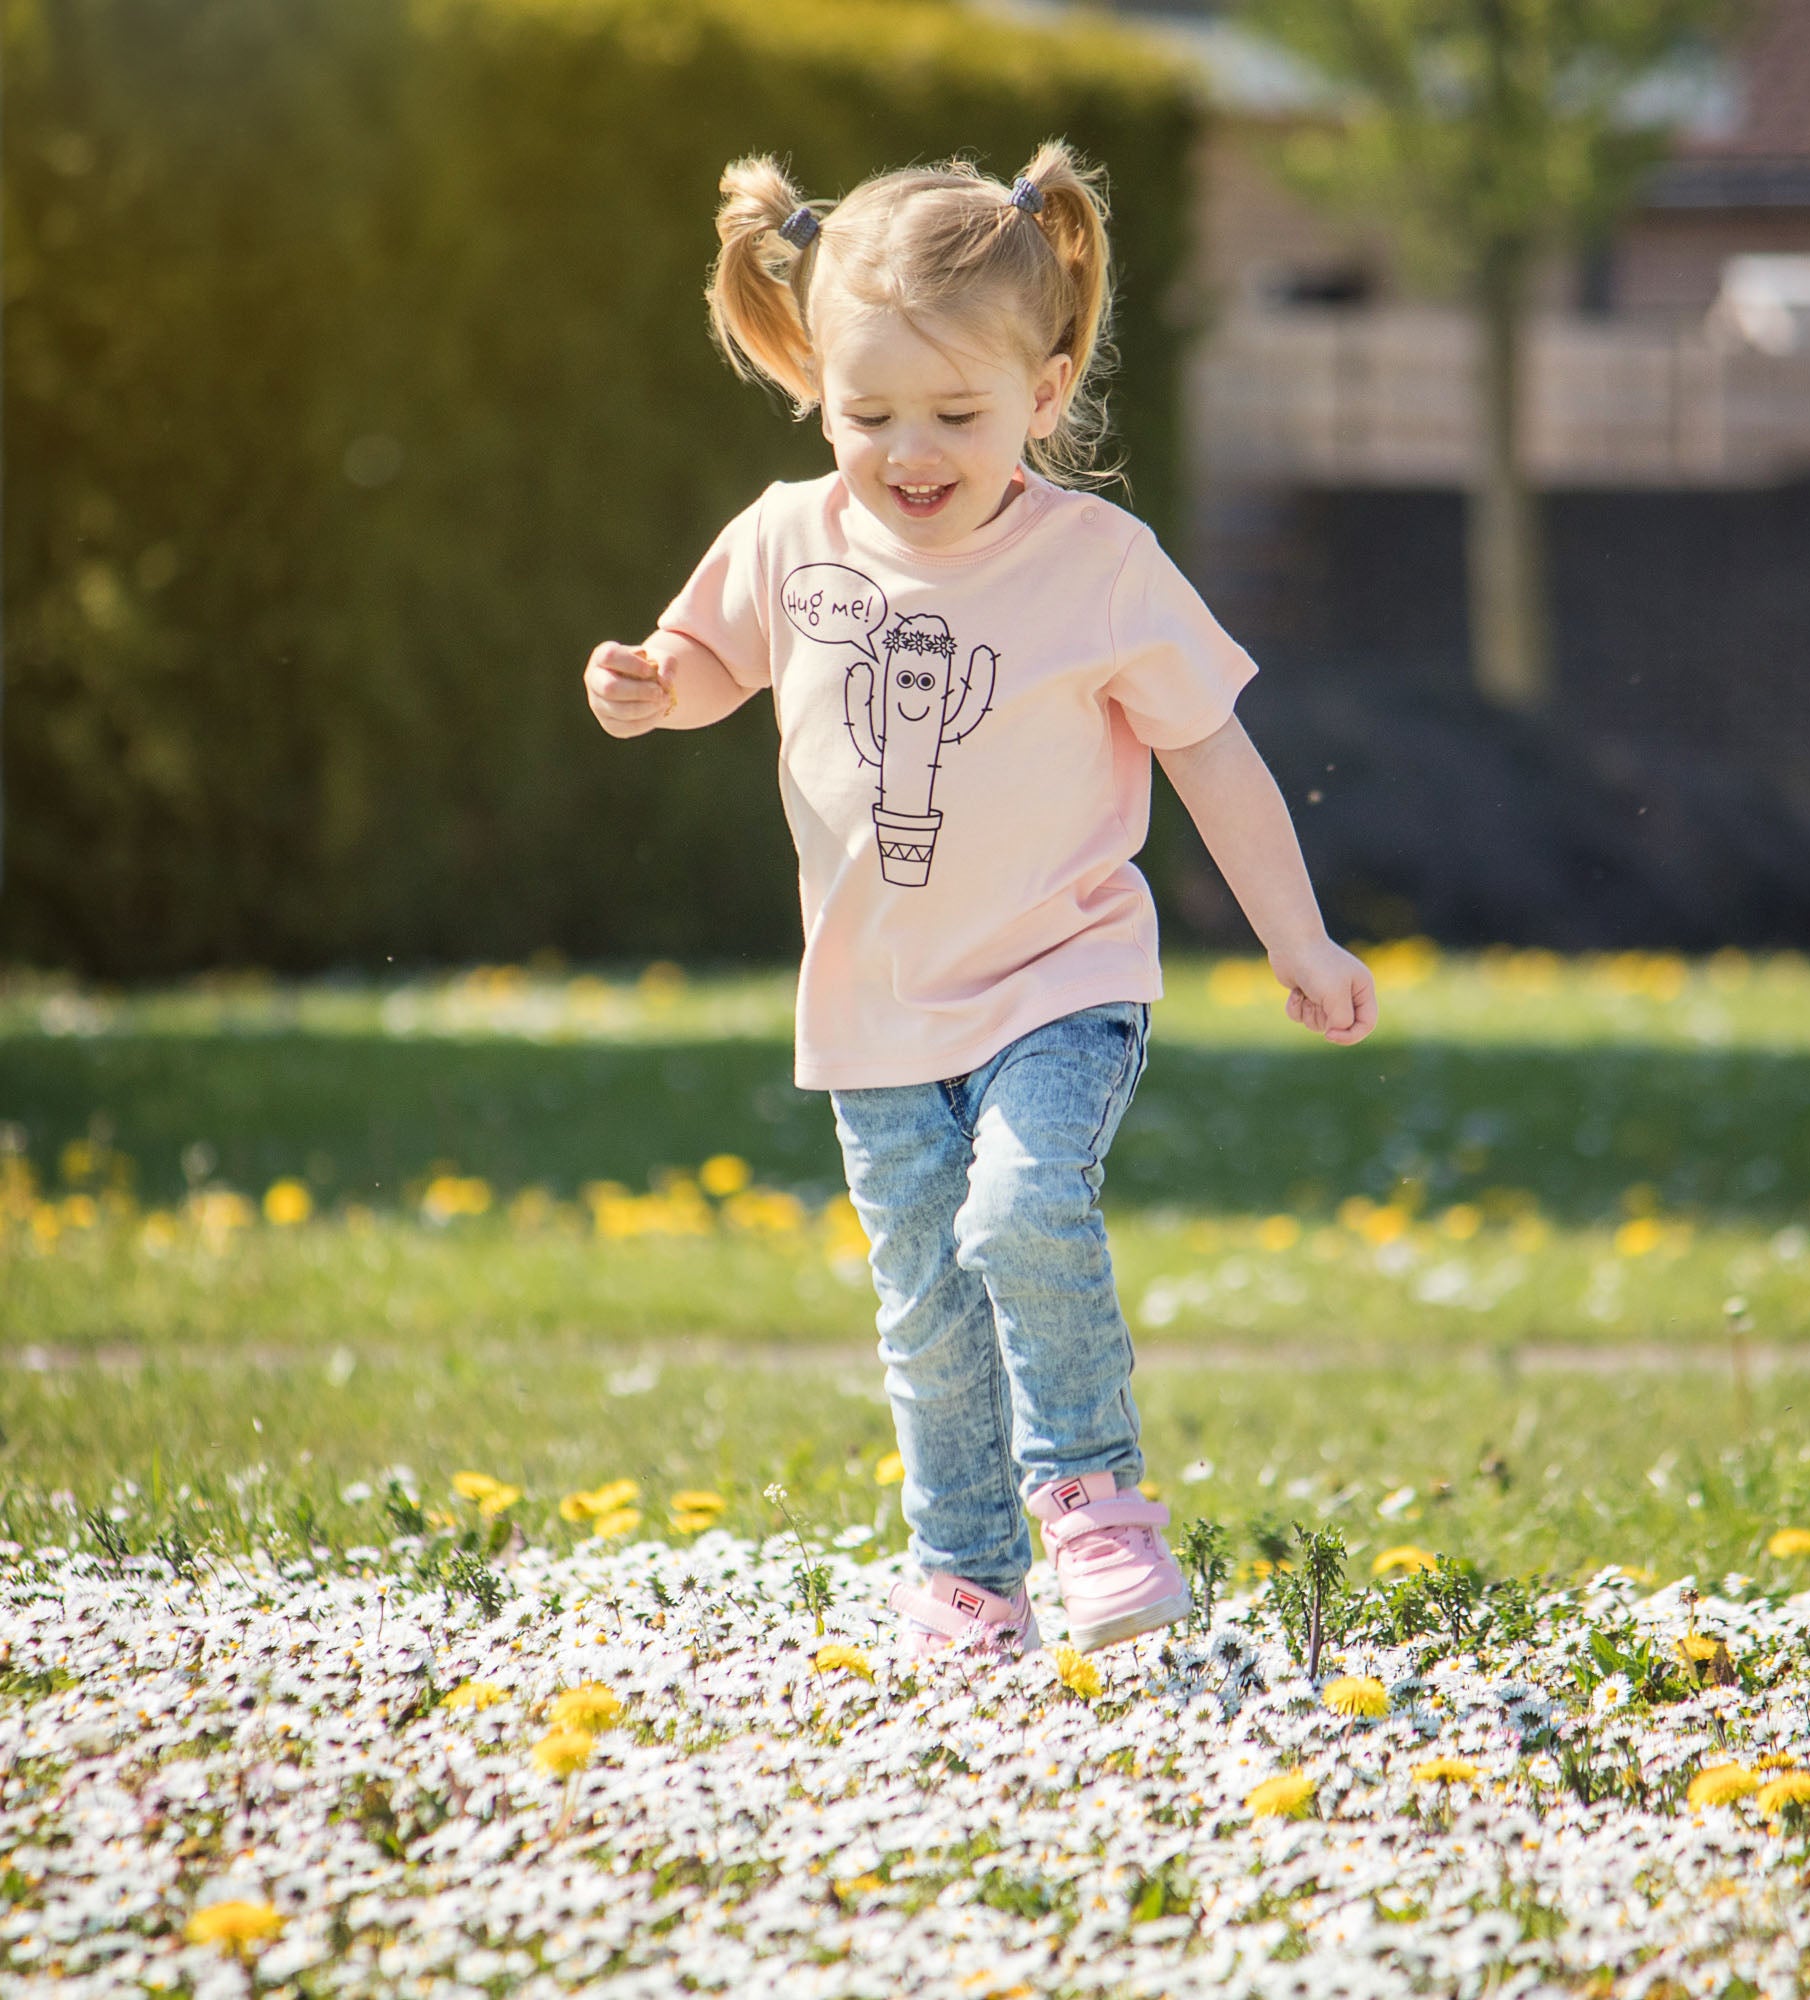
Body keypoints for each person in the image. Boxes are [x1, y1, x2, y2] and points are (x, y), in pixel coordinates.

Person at [583, 141, 1377, 1660]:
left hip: (1059, 983)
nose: (910, 450)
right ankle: (964, 1570)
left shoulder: (1099, 564)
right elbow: (705, 666)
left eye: (959, 414)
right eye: (868, 413)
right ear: (816, 382)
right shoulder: (784, 536)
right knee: (926, 1312)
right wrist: (648, 689)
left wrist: (1300, 937)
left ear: (1050, 385)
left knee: (1020, 1208)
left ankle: (1091, 1499)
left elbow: (1215, 757)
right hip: (874, 1007)